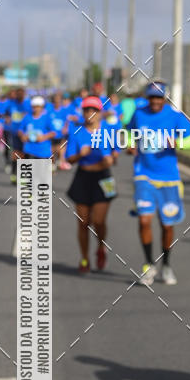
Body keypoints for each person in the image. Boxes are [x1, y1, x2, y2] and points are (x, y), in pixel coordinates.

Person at [127, 81, 190, 286]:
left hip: (169, 179)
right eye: (152, 98)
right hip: (144, 176)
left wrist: (177, 142)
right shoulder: (139, 114)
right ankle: (149, 265)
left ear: (165, 98)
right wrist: (130, 144)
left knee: (167, 226)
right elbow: (129, 133)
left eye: (158, 98)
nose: (155, 101)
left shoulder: (175, 117)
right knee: (144, 221)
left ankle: (166, 264)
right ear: (147, 98)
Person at [66, 96, 118, 273]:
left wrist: (112, 159)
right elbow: (69, 159)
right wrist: (80, 155)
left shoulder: (109, 131)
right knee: (83, 222)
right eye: (86, 110)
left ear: (100, 113)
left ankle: (101, 247)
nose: (90, 113)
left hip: (104, 177)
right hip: (83, 177)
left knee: (99, 221)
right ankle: (84, 258)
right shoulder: (77, 132)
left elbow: (115, 154)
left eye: (93, 110)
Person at [17, 96, 59, 161]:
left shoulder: (47, 117)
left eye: (38, 106)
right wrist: (22, 136)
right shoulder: (27, 117)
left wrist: (43, 137)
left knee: (42, 168)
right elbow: (20, 130)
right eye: (34, 107)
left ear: (42, 107)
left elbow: (54, 133)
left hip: (43, 152)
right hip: (28, 151)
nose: (36, 109)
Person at [4, 87, 30, 182]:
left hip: (26, 134)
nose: (19, 96)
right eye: (18, 94)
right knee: (16, 153)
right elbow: (6, 113)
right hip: (15, 132)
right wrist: (7, 118)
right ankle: (14, 173)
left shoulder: (28, 104)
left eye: (21, 94)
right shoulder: (12, 103)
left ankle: (24, 175)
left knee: (26, 154)